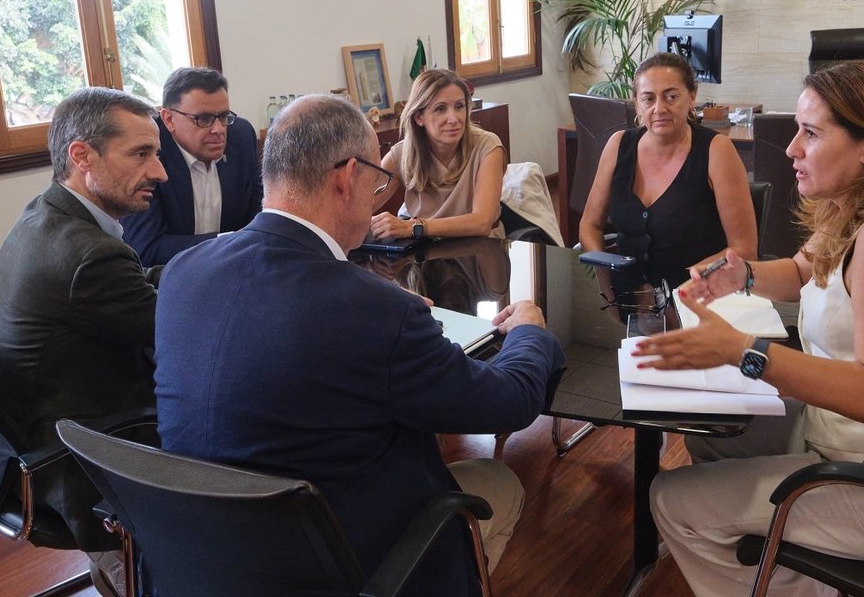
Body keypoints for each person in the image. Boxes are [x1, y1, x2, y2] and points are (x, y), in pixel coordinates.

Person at [154, 95, 565, 596]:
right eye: (377, 175)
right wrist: (527, 330)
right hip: (337, 563)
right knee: (500, 482)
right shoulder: (372, 310)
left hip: (203, 556)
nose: (379, 190)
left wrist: (381, 309)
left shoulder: (182, 273)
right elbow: (509, 403)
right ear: (347, 176)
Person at [632, 61, 864, 597]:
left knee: (672, 501)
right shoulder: (862, 205)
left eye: (810, 134)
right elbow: (799, 271)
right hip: (849, 443)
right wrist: (739, 275)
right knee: (712, 434)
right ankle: (785, 571)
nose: (791, 148)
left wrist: (742, 351)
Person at [0, 86, 168, 596]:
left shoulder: (47, 215)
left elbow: (136, 284)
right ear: (81, 156)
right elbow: (181, 334)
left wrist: (204, 267)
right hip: (79, 467)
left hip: (36, 439)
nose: (160, 172)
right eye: (141, 154)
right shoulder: (87, 255)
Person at [579, 52, 757, 290]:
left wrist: (690, 286)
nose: (659, 108)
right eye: (648, 99)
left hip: (697, 295)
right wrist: (605, 277)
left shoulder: (717, 150)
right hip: (625, 295)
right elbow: (590, 225)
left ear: (691, 97)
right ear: (637, 103)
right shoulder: (618, 145)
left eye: (671, 97)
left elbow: (744, 249)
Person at [121, 66, 263, 266]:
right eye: (203, 119)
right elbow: (148, 249)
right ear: (169, 119)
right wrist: (232, 241)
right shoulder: (146, 153)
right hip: (166, 282)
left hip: (236, 270)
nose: (218, 130)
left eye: (223, 116)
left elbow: (258, 214)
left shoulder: (240, 136)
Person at [370, 68, 506, 239]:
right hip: (425, 249)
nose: (453, 118)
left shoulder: (487, 146)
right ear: (419, 117)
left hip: (480, 247)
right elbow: (362, 206)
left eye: (459, 106)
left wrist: (414, 227)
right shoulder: (400, 154)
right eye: (440, 109)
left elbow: (482, 222)